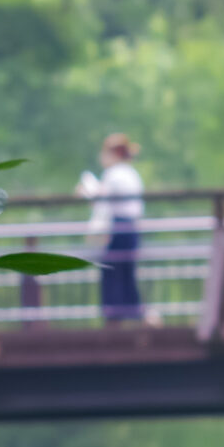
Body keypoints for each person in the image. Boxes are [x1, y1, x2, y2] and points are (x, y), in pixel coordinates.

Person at [78, 133, 145, 322]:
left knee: (112, 271)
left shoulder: (115, 174)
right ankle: (134, 316)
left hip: (119, 227)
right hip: (130, 228)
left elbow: (101, 199)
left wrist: (87, 191)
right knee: (126, 273)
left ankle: (114, 317)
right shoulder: (130, 173)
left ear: (112, 153)